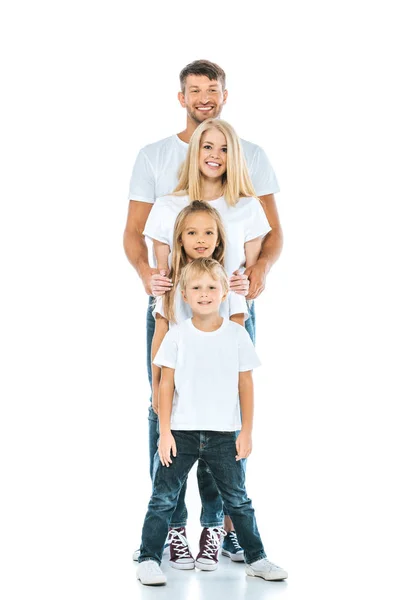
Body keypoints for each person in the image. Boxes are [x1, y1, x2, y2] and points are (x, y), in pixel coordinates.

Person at [124, 59, 282, 561]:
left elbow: (257, 261)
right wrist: (156, 297)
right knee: (164, 413)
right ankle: (167, 526)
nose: (213, 154)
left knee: (223, 419)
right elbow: (157, 268)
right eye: (205, 147)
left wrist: (253, 281)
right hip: (176, 321)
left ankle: (225, 525)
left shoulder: (247, 197)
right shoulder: (171, 203)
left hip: (230, 321)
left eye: (222, 148)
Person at [136, 258, 288, 585]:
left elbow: (245, 384)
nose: (204, 293)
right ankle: (149, 557)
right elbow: (165, 384)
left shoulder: (236, 334)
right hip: (181, 432)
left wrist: (246, 432)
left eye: (211, 287)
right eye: (195, 288)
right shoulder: (176, 334)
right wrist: (164, 432)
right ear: (185, 296)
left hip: (223, 434)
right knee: (163, 497)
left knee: (238, 500)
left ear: (223, 294)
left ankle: (256, 557)